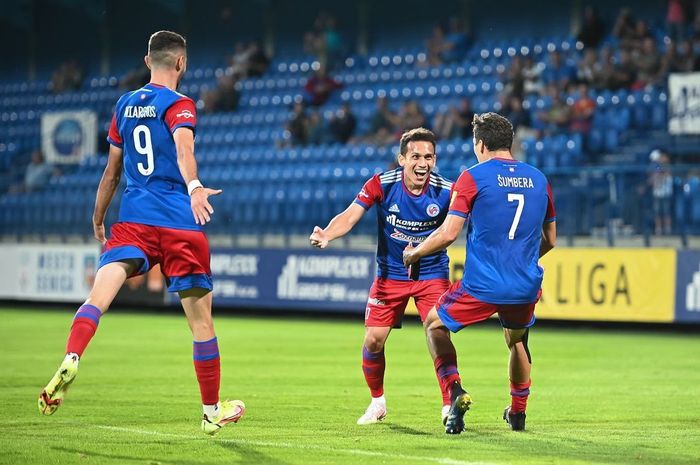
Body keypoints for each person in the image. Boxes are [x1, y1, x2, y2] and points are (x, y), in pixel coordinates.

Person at [38, 30, 245, 436]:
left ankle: (73, 355)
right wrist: (195, 187)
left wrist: (99, 216)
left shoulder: (124, 104)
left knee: (98, 296)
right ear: (181, 63)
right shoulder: (180, 104)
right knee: (201, 324)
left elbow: (111, 172)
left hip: (133, 219)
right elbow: (185, 151)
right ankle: (210, 412)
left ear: (148, 61)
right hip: (180, 223)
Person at [403, 113, 556, 434]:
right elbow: (551, 240)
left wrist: (415, 251)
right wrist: (521, 259)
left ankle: (455, 390)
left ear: (481, 144)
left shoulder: (472, 177)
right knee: (517, 341)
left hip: (483, 284)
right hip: (525, 283)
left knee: (433, 324)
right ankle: (518, 413)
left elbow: (448, 233)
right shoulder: (540, 179)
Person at [309, 128, 456, 425]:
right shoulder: (382, 184)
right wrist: (328, 233)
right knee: (373, 340)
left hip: (432, 273)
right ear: (402, 159)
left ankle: (449, 402)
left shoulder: (447, 190)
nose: (423, 163)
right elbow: (351, 214)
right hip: (390, 275)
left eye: (429, 156)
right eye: (415, 156)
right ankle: (377, 402)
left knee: (438, 332)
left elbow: (457, 226)